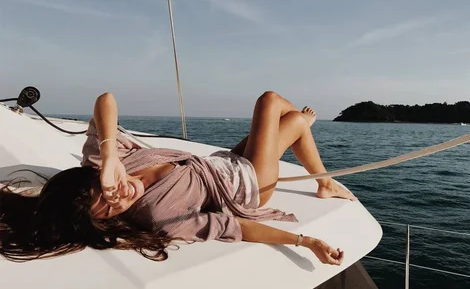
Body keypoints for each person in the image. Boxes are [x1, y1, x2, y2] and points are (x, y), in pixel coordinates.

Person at [1, 91, 356, 265]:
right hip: (245, 185)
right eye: (110, 210)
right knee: (276, 105)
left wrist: (110, 155)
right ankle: (319, 173)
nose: (119, 196)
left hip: (220, 163)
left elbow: (105, 100)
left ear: (94, 174)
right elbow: (238, 228)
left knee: (289, 121)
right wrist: (306, 241)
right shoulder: (161, 215)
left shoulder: (107, 162)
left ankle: (311, 157)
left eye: (104, 191)